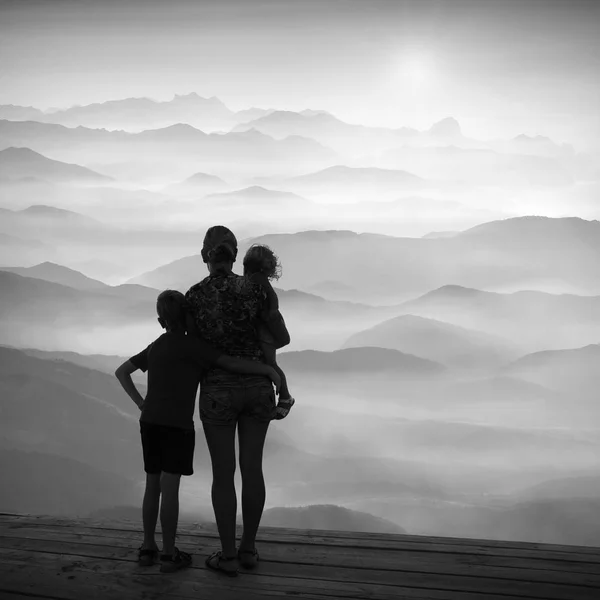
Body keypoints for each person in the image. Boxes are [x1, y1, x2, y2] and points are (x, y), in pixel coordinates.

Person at [115, 289, 281, 574]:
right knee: (170, 489)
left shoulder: (156, 345)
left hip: (150, 422)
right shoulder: (194, 347)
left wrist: (141, 403)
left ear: (160, 321)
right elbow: (230, 363)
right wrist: (267, 371)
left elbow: (121, 372)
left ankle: (147, 548)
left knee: (152, 485)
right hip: (176, 426)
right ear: (190, 316)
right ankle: (169, 555)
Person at [185, 225, 291, 577]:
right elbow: (280, 337)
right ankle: (249, 550)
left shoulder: (195, 297)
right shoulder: (255, 290)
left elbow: (196, 351)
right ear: (233, 255)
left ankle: (227, 555)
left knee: (223, 474)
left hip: (218, 391)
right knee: (252, 469)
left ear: (205, 255)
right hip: (260, 388)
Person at [242, 243, 295, 419]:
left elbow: (268, 306)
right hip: (268, 326)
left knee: (270, 363)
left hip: (266, 327)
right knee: (269, 361)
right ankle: (285, 396)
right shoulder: (260, 280)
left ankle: (286, 397)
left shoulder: (255, 280)